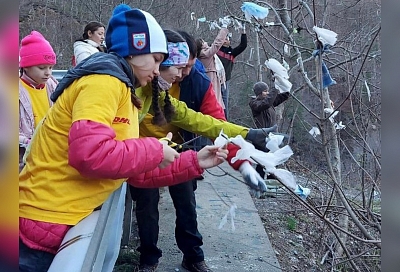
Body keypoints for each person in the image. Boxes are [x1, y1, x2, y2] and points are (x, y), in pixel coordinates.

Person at [19, 5, 228, 272]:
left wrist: (194, 161)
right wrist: (153, 148)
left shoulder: (125, 90)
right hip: (46, 220)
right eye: (154, 58)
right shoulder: (103, 82)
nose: (157, 68)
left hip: (61, 222)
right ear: (134, 49)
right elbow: (90, 155)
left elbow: (131, 170)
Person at [132, 29, 275, 272]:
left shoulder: (191, 84)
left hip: (177, 150)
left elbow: (209, 123)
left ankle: (193, 256)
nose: (182, 73)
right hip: (139, 153)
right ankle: (148, 258)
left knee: (186, 204)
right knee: (146, 206)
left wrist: (244, 153)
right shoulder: (135, 89)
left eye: (188, 66)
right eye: (178, 66)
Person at [19, 30, 58, 172]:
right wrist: (30, 143)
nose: (48, 72)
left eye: (51, 67)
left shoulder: (53, 86)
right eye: (41, 68)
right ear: (26, 66)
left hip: (49, 155)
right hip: (22, 161)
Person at [249, 81, 290, 178]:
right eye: (265, 91)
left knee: (273, 161)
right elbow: (266, 103)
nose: (267, 93)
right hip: (261, 137)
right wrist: (274, 89)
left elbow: (281, 97)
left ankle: (271, 183)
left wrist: (285, 85)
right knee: (261, 163)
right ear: (259, 93)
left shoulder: (269, 102)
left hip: (271, 137)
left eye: (268, 91)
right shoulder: (255, 103)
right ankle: (258, 184)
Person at [196, 18, 230, 110]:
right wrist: (224, 28)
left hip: (215, 79)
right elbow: (217, 44)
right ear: (201, 45)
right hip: (211, 79)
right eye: (203, 42)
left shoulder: (204, 53)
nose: (206, 42)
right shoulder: (205, 54)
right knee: (215, 102)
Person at [217, 24, 247, 119]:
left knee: (224, 101)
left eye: (227, 39)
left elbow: (243, 45)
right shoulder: (215, 50)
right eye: (224, 38)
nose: (225, 40)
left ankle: (225, 119)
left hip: (225, 80)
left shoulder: (232, 53)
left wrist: (243, 33)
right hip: (214, 78)